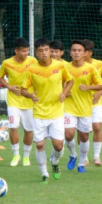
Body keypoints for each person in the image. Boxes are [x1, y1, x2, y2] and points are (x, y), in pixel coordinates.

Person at [20, 38, 73, 183]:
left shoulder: (60, 66)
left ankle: (55, 162)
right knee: (39, 144)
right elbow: (23, 90)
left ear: (50, 51)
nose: (44, 53)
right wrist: (31, 95)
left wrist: (64, 93)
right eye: (40, 50)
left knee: (58, 145)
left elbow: (70, 81)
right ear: (36, 52)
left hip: (56, 112)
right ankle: (44, 173)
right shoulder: (31, 69)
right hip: (39, 113)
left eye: (46, 50)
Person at [64, 40, 102, 173]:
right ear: (70, 53)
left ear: (84, 53)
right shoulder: (65, 68)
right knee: (68, 134)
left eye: (79, 51)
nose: (76, 53)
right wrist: (64, 91)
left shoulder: (91, 68)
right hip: (69, 108)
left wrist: (88, 87)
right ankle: (73, 154)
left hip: (86, 108)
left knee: (84, 137)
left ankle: (81, 163)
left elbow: (101, 85)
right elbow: (58, 83)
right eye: (74, 50)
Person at [0, 37, 36, 167]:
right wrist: (9, 86)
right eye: (23, 51)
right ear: (16, 51)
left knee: (28, 130)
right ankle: (16, 155)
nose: (26, 53)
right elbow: (1, 77)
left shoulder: (33, 61)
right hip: (13, 101)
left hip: (29, 101)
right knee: (13, 127)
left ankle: (26, 156)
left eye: (27, 51)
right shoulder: (7, 63)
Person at [82, 39, 102, 165]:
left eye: (84, 51)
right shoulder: (73, 65)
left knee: (97, 126)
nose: (81, 53)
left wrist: (99, 93)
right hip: (80, 102)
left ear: (90, 53)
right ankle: (84, 157)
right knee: (83, 131)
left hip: (96, 101)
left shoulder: (99, 64)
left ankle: (96, 156)